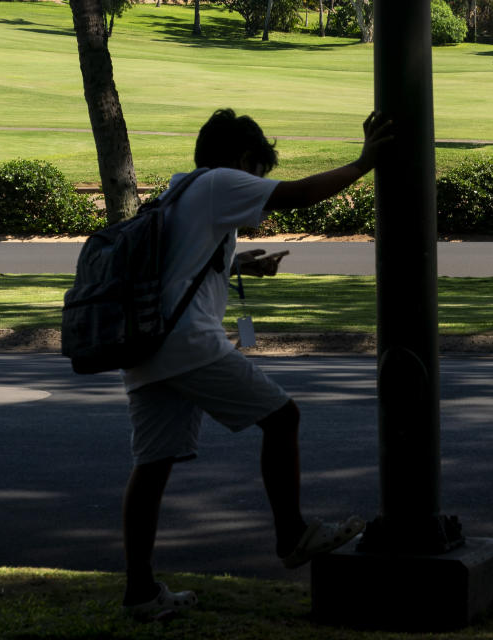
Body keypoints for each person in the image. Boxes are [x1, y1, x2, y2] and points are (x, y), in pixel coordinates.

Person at [120, 109, 393, 621]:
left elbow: (182, 264)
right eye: (257, 173)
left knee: (151, 467)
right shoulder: (221, 182)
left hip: (146, 349)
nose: (258, 190)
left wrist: (242, 263)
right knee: (282, 416)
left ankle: (139, 592)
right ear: (245, 161)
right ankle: (292, 536)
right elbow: (297, 195)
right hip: (188, 345)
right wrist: (364, 163)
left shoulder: (180, 191)